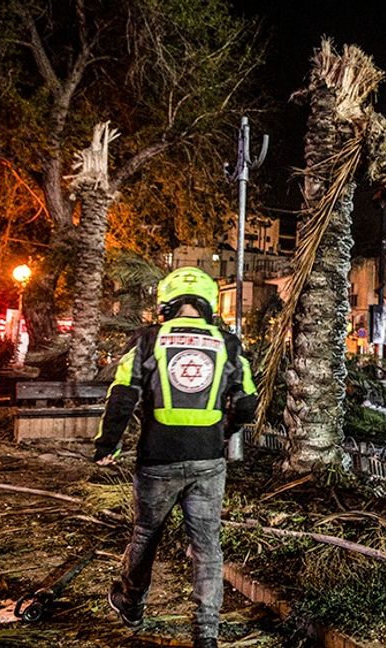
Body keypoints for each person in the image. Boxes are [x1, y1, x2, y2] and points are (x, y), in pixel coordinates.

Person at [94, 267, 257, 648]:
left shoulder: (148, 340)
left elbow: (122, 394)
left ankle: (132, 602)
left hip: (157, 458)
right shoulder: (229, 344)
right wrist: (225, 430)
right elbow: (248, 402)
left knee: (147, 533)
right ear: (208, 303)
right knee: (207, 546)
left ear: (166, 303)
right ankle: (206, 634)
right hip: (207, 460)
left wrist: (108, 444)